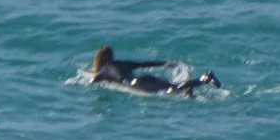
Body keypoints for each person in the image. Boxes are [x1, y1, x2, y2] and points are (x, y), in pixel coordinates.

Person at [89, 45, 221, 97]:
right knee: (173, 87)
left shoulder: (103, 71)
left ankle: (204, 79)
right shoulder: (123, 63)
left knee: (170, 89)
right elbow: (145, 63)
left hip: (136, 84)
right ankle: (198, 83)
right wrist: (165, 63)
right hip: (144, 78)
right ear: (111, 57)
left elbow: (93, 81)